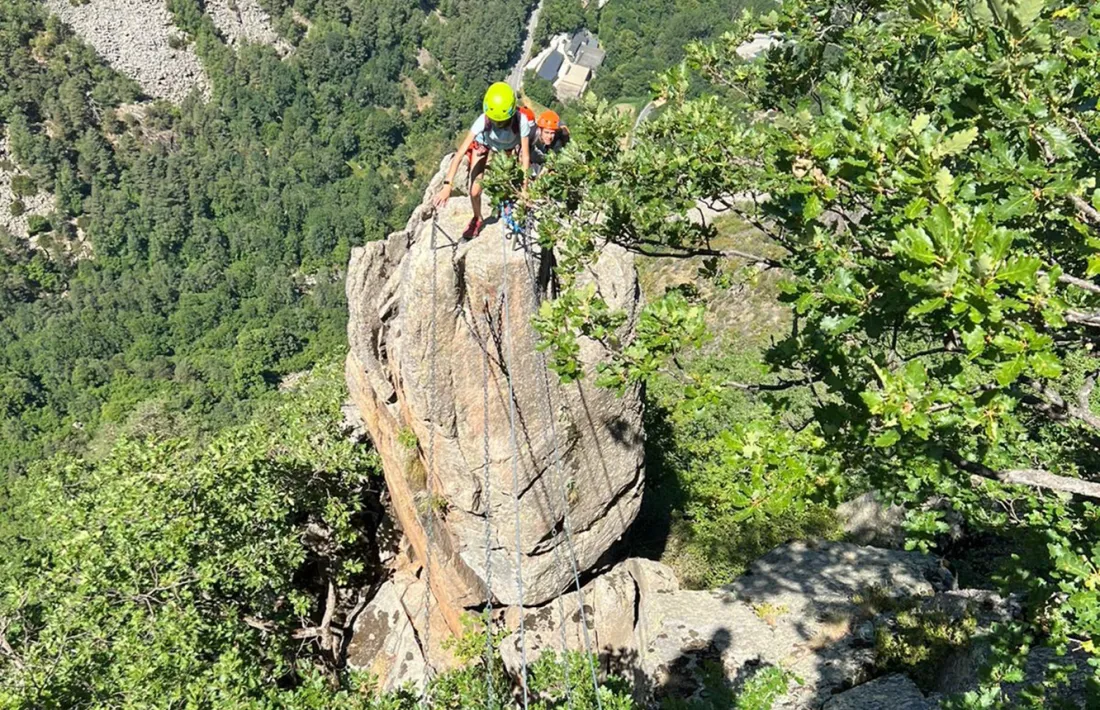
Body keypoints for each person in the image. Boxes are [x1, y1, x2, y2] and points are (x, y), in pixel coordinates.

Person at [434, 82, 533, 239]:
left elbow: (526, 157)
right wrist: (447, 186)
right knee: (474, 191)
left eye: (502, 121)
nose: (498, 124)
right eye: (495, 121)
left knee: (506, 181)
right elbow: (459, 154)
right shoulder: (483, 120)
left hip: (507, 149)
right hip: (483, 145)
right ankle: (477, 218)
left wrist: (525, 189)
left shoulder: (522, 122)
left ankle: (506, 202)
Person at [530, 110, 569, 177]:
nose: (549, 137)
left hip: (544, 163)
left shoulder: (557, 143)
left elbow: (548, 165)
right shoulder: (532, 136)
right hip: (531, 160)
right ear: (540, 130)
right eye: (546, 132)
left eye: (552, 133)